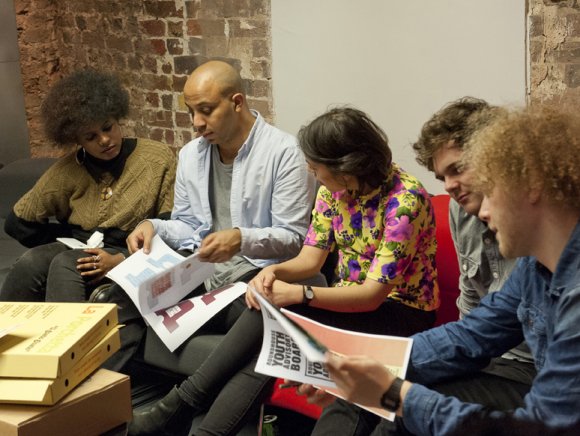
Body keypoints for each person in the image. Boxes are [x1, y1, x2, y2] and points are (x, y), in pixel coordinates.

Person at [128, 107, 440, 436]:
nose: (313, 175)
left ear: (346, 171)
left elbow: (371, 296)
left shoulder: (404, 202)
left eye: (316, 169)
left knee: (282, 312)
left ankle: (180, 407)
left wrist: (300, 293)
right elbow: (310, 260)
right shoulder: (333, 192)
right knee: (271, 321)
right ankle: (188, 415)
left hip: (401, 312)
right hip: (351, 301)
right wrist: (275, 273)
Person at [316, 106, 580, 435]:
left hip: (537, 400)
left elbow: (545, 428)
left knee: (398, 412)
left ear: (533, 184)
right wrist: (362, 366)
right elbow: (473, 333)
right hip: (524, 385)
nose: (482, 209)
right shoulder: (534, 267)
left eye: (491, 189)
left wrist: (396, 393)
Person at [96, 60, 316, 372]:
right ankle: (102, 400)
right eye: (191, 112)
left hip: (253, 273)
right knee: (118, 302)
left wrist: (241, 240)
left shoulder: (284, 153)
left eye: (206, 110)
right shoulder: (191, 155)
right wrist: (152, 226)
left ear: (236, 102)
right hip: (198, 267)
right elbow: (189, 225)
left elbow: (294, 240)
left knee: (237, 316)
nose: (197, 122)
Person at [0, 69, 176, 303]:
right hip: (80, 245)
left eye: (107, 127)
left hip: (131, 251)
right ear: (77, 140)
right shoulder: (67, 170)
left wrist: (122, 258)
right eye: (90, 137)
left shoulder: (157, 158)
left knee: (67, 264)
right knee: (31, 261)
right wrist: (66, 236)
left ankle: (73, 339)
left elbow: (171, 231)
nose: (104, 140)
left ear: (117, 118)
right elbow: (18, 222)